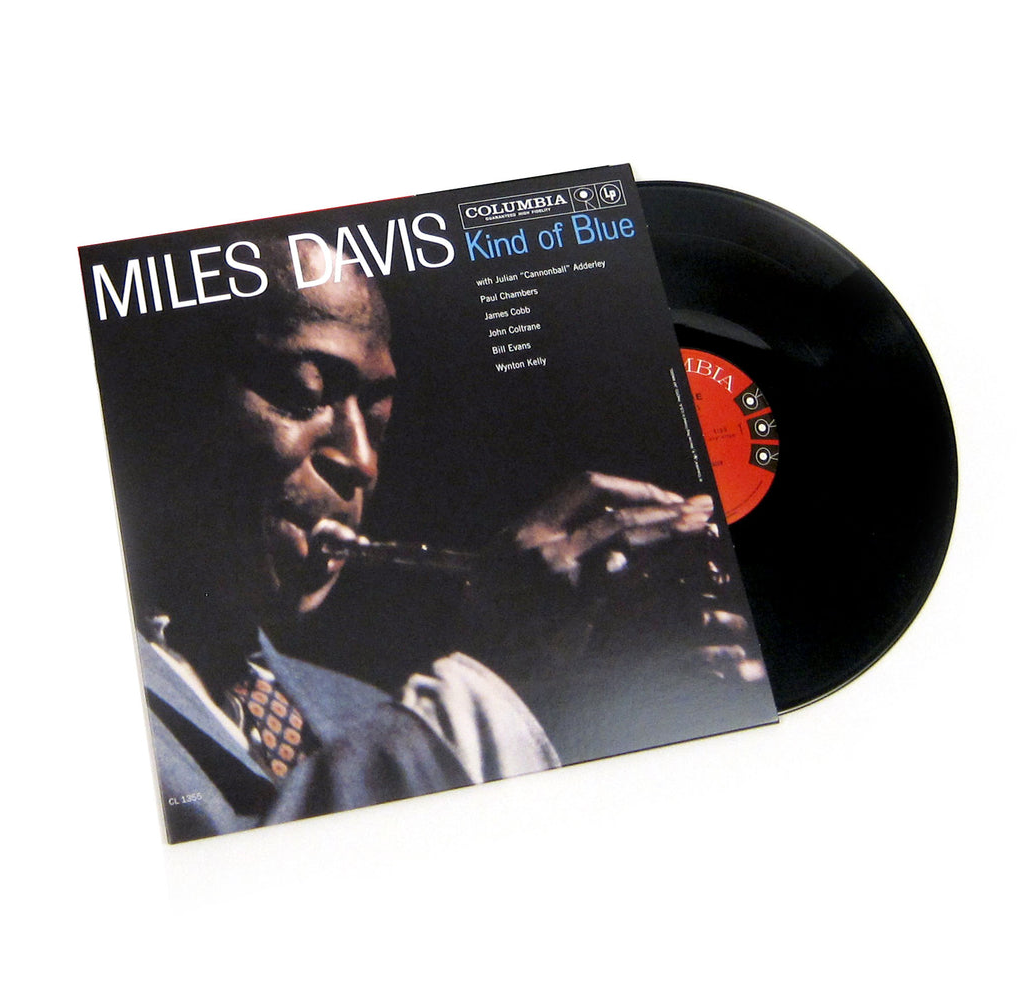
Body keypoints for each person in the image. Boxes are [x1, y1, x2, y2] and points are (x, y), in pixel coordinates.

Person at [113, 237, 762, 843]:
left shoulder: (366, 710)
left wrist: (631, 710)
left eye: (378, 422)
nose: (362, 461)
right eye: (302, 393)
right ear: (165, 402)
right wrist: (494, 678)